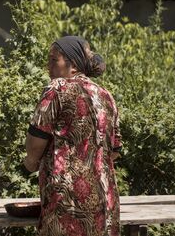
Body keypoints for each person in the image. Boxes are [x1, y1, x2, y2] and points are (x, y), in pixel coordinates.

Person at [24, 36, 121, 236]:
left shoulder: (58, 88)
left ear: (74, 65)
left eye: (53, 60)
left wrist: (30, 163)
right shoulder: (106, 96)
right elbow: (115, 151)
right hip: (105, 201)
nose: (48, 66)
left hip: (68, 204)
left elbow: (35, 144)